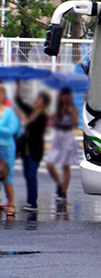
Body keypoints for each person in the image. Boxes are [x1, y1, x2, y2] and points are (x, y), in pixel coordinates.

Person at [15, 81, 50, 212]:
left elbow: (35, 129)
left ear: (43, 103)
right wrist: (18, 87)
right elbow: (19, 102)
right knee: (27, 175)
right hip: (26, 150)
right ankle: (30, 202)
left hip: (35, 150)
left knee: (31, 175)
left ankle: (33, 203)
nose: (36, 100)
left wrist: (23, 119)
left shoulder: (42, 116)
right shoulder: (31, 111)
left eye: (39, 99)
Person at [45, 88, 79, 201]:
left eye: (67, 95)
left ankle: (63, 193)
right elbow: (52, 123)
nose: (65, 97)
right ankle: (59, 184)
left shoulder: (73, 109)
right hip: (58, 137)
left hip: (67, 137)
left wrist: (72, 113)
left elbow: (75, 124)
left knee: (66, 166)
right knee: (49, 164)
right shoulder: (58, 110)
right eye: (63, 95)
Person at [0, 85, 21, 217]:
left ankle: (11, 203)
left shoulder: (9, 112)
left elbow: (12, 130)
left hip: (6, 147)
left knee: (7, 175)